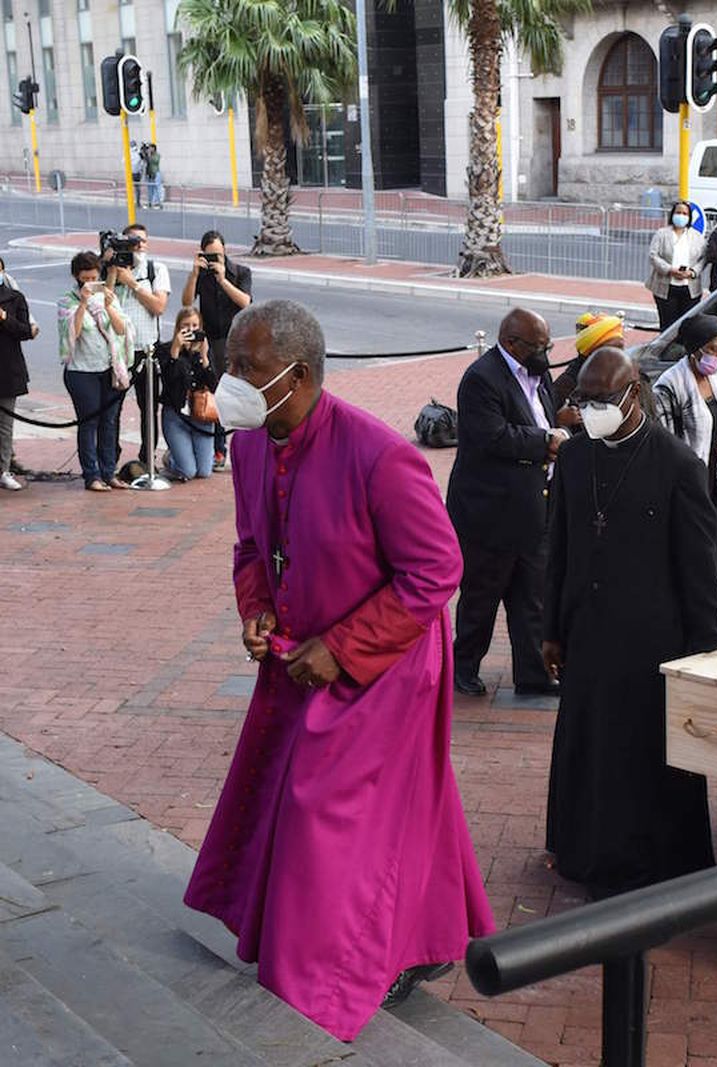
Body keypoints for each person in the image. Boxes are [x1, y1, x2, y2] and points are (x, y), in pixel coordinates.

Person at [183, 299, 494, 1040]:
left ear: (300, 375)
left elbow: (437, 569)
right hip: (297, 654)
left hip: (383, 663)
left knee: (327, 814)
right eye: (230, 363)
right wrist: (255, 611)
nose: (231, 380)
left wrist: (345, 647)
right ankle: (428, 937)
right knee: (394, 802)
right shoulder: (256, 441)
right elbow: (251, 547)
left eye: (247, 368)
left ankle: (332, 966)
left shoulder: (380, 455)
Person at [542, 347, 717, 897]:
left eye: (601, 401)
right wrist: (550, 628)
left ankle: (649, 863)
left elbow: (701, 573)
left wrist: (705, 655)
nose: (591, 411)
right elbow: (560, 549)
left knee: (644, 759)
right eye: (583, 401)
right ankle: (583, 850)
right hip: (587, 634)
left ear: (632, 394)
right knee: (588, 748)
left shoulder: (677, 466)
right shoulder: (575, 458)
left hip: (653, 644)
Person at [447, 308, 567, 698]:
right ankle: (463, 668)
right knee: (482, 595)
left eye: (548, 345)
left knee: (531, 595)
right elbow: (493, 436)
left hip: (533, 506)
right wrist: (545, 442)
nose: (545, 354)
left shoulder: (539, 372)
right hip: (489, 511)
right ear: (511, 343)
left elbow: (542, 416)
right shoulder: (482, 379)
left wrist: (559, 426)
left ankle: (532, 673)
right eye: (538, 346)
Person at [57, 251, 131, 492]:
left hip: (108, 369)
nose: (90, 281)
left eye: (93, 277)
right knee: (89, 422)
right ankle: (92, 475)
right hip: (81, 371)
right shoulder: (66, 300)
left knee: (109, 421)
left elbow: (121, 330)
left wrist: (109, 307)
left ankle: (109, 471)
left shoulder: (107, 296)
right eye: (85, 278)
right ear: (76, 277)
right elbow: (72, 334)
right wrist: (82, 304)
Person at [652, 312, 717, 500]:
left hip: (716, 475)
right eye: (712, 349)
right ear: (695, 349)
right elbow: (663, 441)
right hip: (685, 481)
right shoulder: (669, 386)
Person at [183, 230, 252, 469]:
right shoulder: (201, 275)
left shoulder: (240, 272)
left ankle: (240, 447)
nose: (214, 261)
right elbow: (186, 302)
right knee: (214, 394)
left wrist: (223, 280)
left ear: (225, 251)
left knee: (234, 396)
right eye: (210, 256)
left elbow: (245, 302)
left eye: (218, 255)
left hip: (233, 341)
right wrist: (194, 274)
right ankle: (218, 449)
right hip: (209, 340)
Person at [109, 223, 172, 470]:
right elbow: (103, 300)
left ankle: (148, 460)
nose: (137, 247)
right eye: (131, 242)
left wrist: (132, 284)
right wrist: (114, 272)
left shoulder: (156, 269)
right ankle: (109, 459)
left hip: (147, 350)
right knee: (112, 409)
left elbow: (159, 307)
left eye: (141, 242)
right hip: (119, 352)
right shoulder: (114, 268)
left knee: (148, 408)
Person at [156, 306, 220, 482]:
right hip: (176, 416)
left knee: (204, 472)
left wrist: (204, 357)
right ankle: (171, 458)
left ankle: (183, 453)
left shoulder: (204, 349)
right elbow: (169, 381)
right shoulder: (166, 349)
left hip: (201, 417)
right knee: (188, 472)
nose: (191, 330)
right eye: (186, 326)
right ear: (178, 327)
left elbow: (214, 385)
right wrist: (175, 352)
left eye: (195, 325)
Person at [0, 258, 38, 492]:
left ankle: (3, 469)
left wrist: (5, 318)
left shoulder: (14, 298)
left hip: (7, 370)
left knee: (4, 426)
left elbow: (26, 331)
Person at [647, 200, 706, 331]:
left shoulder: (697, 236)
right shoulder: (662, 234)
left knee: (687, 326)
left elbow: (704, 258)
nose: (681, 215)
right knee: (667, 325)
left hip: (689, 289)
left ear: (689, 217)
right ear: (672, 214)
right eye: (678, 212)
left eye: (685, 213)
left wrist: (692, 272)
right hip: (666, 288)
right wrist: (669, 270)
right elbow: (653, 255)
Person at [554, 311, 626, 413]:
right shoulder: (567, 384)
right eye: (610, 351)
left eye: (620, 349)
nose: (618, 356)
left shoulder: (628, 378)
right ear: (592, 353)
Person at [143, 142, 164, 209]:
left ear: (154, 148)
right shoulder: (148, 155)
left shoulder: (157, 155)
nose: (149, 149)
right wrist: (144, 155)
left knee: (157, 189)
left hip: (156, 173)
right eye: (148, 148)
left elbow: (155, 161)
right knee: (149, 189)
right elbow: (145, 161)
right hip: (149, 173)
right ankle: (150, 202)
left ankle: (157, 203)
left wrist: (149, 156)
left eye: (150, 148)